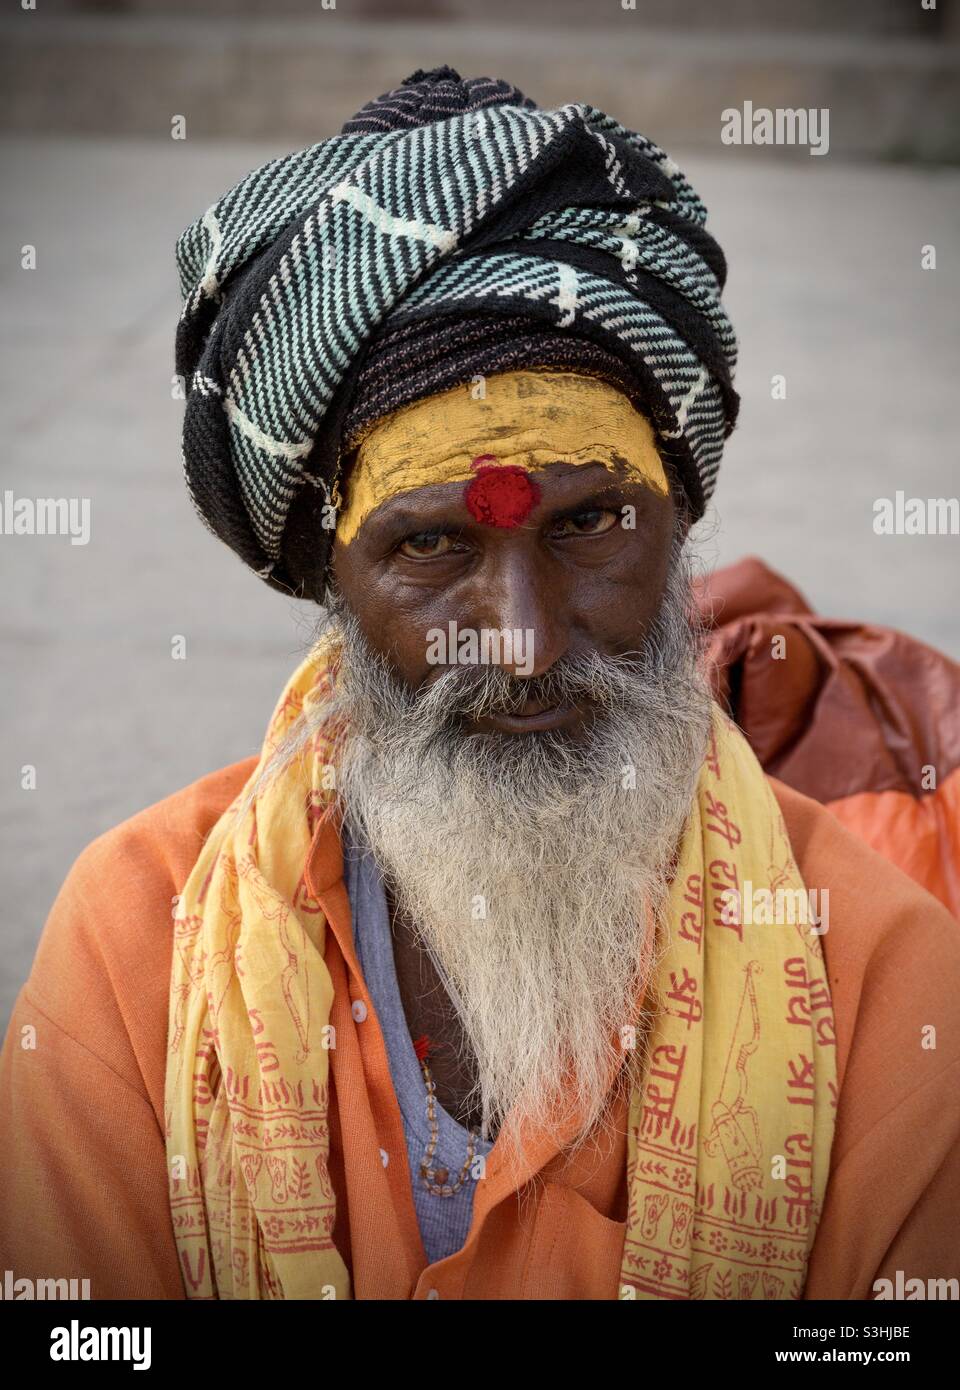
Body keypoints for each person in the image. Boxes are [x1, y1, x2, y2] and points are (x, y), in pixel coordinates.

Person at [1, 67, 958, 1303]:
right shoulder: (138, 942)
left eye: (592, 522)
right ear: (330, 580)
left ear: (679, 528)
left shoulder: (881, 973)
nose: (522, 641)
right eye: (432, 545)